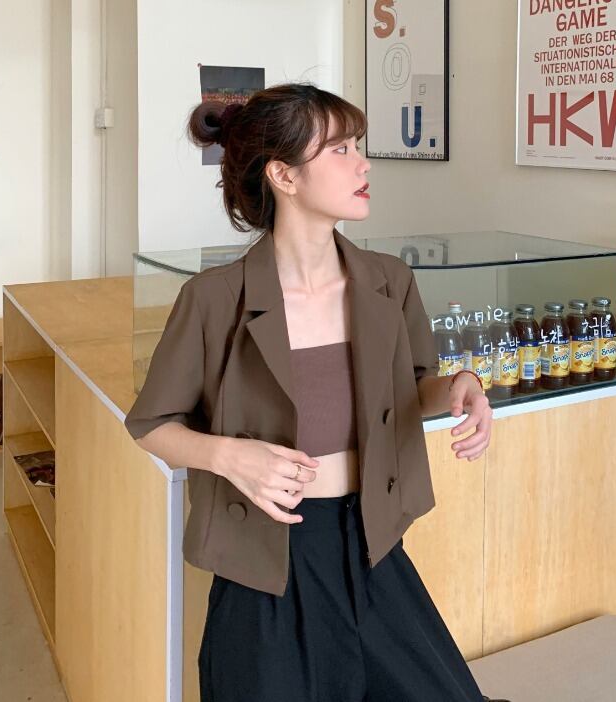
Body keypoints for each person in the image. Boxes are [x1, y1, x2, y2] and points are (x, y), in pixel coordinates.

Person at [127, 83, 507, 702]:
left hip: (372, 546)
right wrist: (230, 456)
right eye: (340, 149)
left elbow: (414, 385)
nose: (363, 165)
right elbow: (151, 424)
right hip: (266, 564)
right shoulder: (214, 299)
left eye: (359, 146)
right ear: (284, 175)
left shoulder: (388, 280)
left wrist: (461, 388)